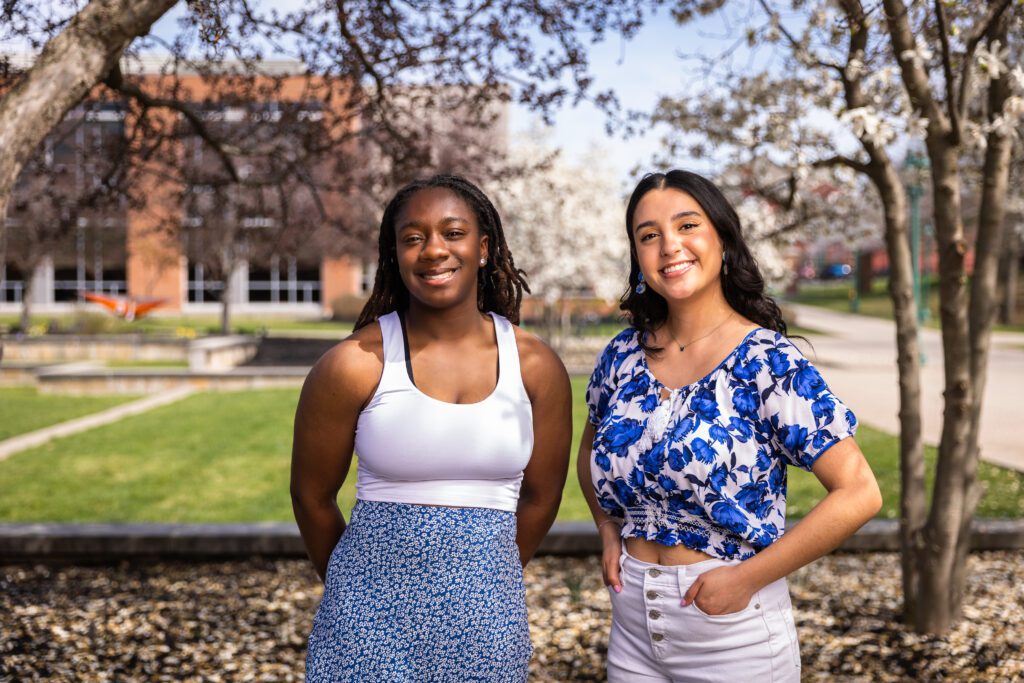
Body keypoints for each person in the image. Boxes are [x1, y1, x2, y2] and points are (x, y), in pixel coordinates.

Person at [577, 170, 882, 682]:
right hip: (631, 627)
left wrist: (747, 579)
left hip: (732, 631)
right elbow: (591, 454)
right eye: (648, 235)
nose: (669, 245)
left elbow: (859, 492)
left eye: (687, 225)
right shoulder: (622, 356)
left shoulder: (768, 361)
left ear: (722, 237)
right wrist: (609, 528)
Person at [292, 174, 572, 682]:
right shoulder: (354, 364)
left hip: (488, 626)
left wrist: (488, 575)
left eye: (452, 233)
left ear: (484, 248)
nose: (433, 250)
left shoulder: (535, 365)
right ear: (394, 255)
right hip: (364, 627)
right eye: (413, 238)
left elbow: (541, 497)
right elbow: (311, 497)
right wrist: (354, 587)